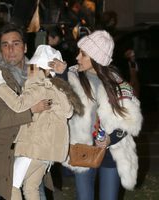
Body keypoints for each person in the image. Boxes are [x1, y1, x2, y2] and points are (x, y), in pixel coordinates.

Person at [54, 30, 143, 200]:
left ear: (97, 58)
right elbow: (62, 103)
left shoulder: (117, 84)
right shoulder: (72, 76)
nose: (78, 57)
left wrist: (111, 139)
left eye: (84, 54)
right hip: (84, 149)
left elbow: (130, 121)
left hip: (111, 151)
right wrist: (62, 75)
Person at [0, 44, 84, 200]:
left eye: (33, 66)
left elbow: (18, 105)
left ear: (41, 69)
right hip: (46, 153)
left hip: (34, 148)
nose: (29, 69)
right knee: (31, 189)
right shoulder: (56, 89)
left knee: (10, 186)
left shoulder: (40, 87)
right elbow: (68, 112)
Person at [0, 23, 51, 200]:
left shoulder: (36, 72)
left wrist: (61, 71)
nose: (10, 49)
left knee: (35, 191)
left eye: (15, 43)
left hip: (30, 151)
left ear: (25, 46)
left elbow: (59, 97)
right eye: (5, 45)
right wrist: (31, 111)